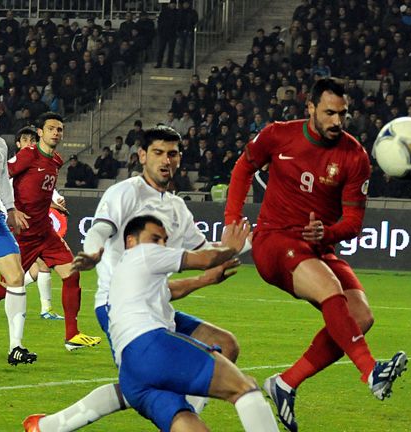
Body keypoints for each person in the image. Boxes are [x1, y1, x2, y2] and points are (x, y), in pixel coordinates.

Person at [25, 126, 246, 431]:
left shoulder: (177, 208)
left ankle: (49, 427)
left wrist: (253, 241)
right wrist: (92, 252)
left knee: (224, 346)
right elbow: (99, 230)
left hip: (157, 305)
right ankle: (182, 418)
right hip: (119, 307)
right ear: (142, 156)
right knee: (143, 385)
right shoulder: (124, 193)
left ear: (180, 158)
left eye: (172, 154)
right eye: (157, 153)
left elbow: (206, 250)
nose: (165, 160)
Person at [225, 78, 407, 432]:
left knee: (361, 316)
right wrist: (233, 220)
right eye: (329, 113)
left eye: (342, 114)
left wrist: (329, 233)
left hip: (318, 247)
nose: (337, 121)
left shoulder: (355, 157)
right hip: (275, 242)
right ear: (310, 108)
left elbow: (353, 222)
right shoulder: (279, 135)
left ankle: (285, 383)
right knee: (329, 290)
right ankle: (371, 371)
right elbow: (243, 168)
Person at [25, 216, 278, 432]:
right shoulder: (139, 256)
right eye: (155, 239)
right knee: (245, 388)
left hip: (140, 363)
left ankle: (48, 426)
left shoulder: (139, 266)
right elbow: (200, 257)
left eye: (163, 240)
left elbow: (169, 286)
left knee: (222, 348)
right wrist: (236, 247)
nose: (161, 244)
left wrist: (204, 279)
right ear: (131, 241)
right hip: (148, 345)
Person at [4, 112, 101, 352]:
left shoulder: (56, 160)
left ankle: (72, 336)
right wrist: (10, 209)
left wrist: (52, 204)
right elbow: (1, 177)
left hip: (45, 232)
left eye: (59, 129)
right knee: (8, 285)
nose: (56, 133)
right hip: (24, 233)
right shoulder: (28, 155)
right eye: (51, 129)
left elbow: (38, 190)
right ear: (40, 132)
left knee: (72, 274)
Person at [13, 127, 65, 320]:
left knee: (35, 271)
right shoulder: (11, 166)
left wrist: (56, 202)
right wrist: (12, 210)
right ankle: (46, 309)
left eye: (31, 140)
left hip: (34, 225)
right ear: (18, 144)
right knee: (39, 267)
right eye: (24, 140)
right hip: (17, 226)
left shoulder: (39, 162)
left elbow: (45, 190)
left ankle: (45, 309)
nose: (29, 143)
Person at [0, 135, 34, 364]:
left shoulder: (0, 144)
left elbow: (2, 179)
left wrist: (10, 209)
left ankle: (16, 347)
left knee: (16, 276)